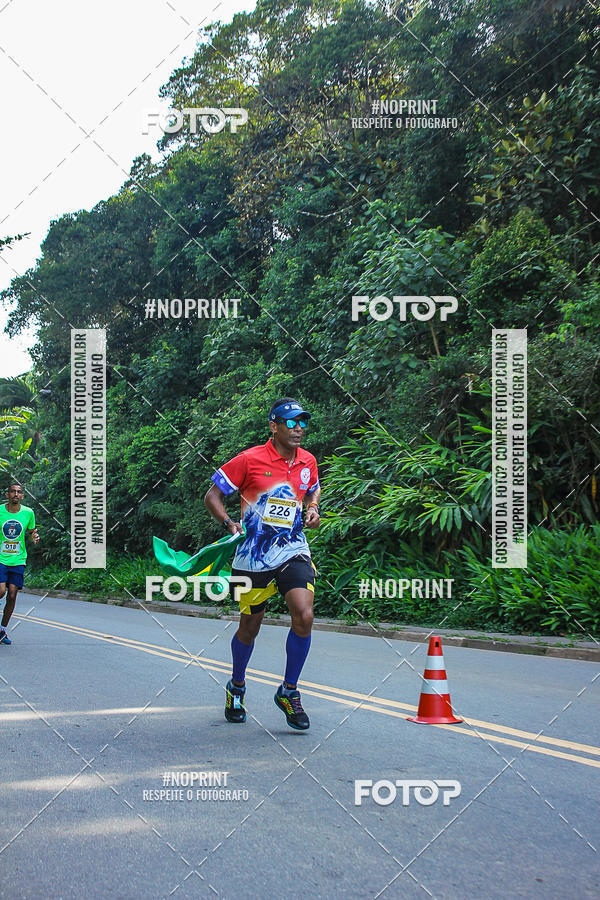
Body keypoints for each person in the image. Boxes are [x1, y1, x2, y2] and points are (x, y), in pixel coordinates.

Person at [204, 398, 321, 730]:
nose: (298, 428)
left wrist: (312, 508)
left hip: (292, 549)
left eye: (302, 422)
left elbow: (312, 490)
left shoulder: (308, 461)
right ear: (274, 426)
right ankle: (237, 687)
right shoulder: (249, 459)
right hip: (253, 556)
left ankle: (289, 691)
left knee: (304, 614)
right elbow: (212, 496)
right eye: (291, 422)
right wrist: (229, 523)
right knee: (249, 626)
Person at [0, 481, 39, 644]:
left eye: (19, 492)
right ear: (7, 495)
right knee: (1, 591)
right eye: (13, 491)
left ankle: (2, 630)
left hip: (18, 559)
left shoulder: (28, 513)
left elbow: (31, 532)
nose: (16, 494)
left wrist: (34, 537)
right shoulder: (0, 511)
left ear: (22, 496)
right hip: (1, 558)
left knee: (12, 595)